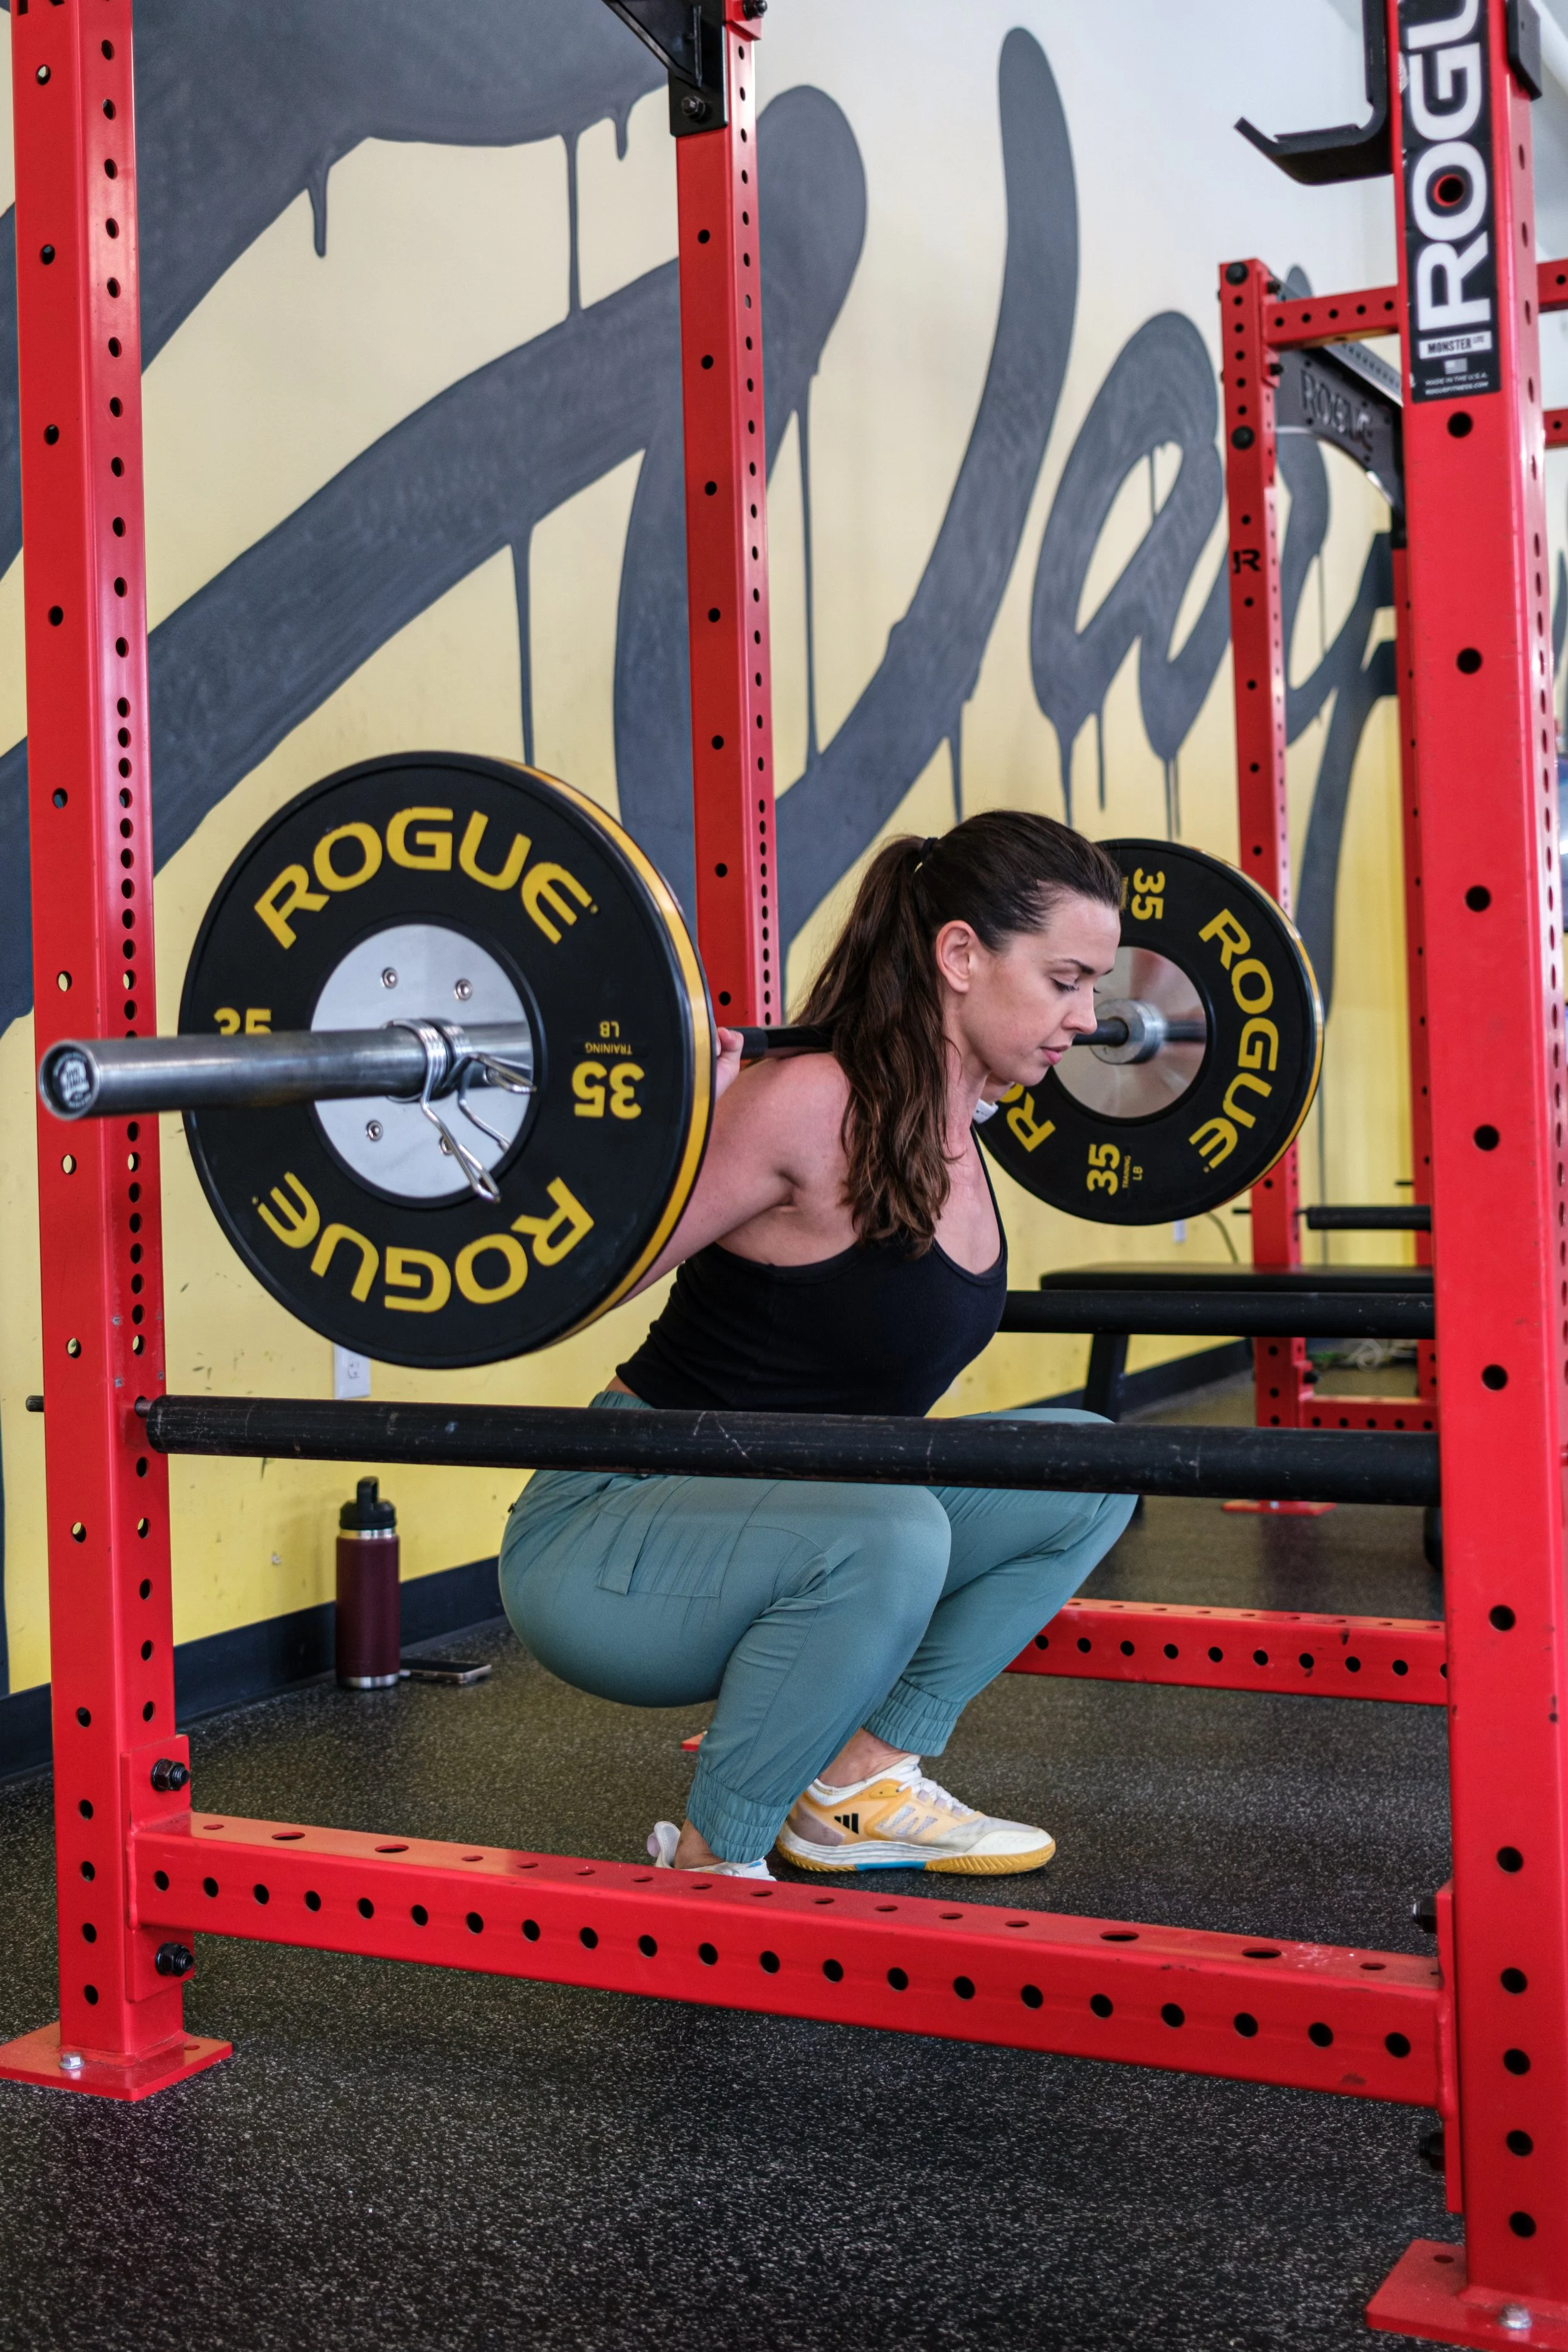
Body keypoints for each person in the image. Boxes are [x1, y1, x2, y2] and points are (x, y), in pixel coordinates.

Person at [499, 811, 1138, 1879]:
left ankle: (854, 1784)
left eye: (1097, 987)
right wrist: (659, 1121)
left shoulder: (962, 1121)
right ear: (962, 956)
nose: (1088, 1017)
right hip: (613, 1534)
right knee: (889, 1525)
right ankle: (719, 1854)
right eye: (1067, 978)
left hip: (816, 1516)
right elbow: (569, 1273)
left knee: (1092, 1463)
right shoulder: (803, 1103)